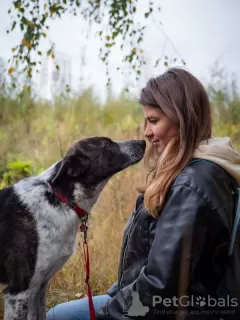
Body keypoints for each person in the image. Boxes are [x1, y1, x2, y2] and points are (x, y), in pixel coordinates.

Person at [46, 67, 240, 320]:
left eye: (154, 121)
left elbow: (160, 287)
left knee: (57, 317)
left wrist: (106, 314)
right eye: (146, 121)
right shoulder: (195, 171)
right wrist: (117, 294)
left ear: (182, 119)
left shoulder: (192, 185)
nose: (146, 133)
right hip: (149, 301)